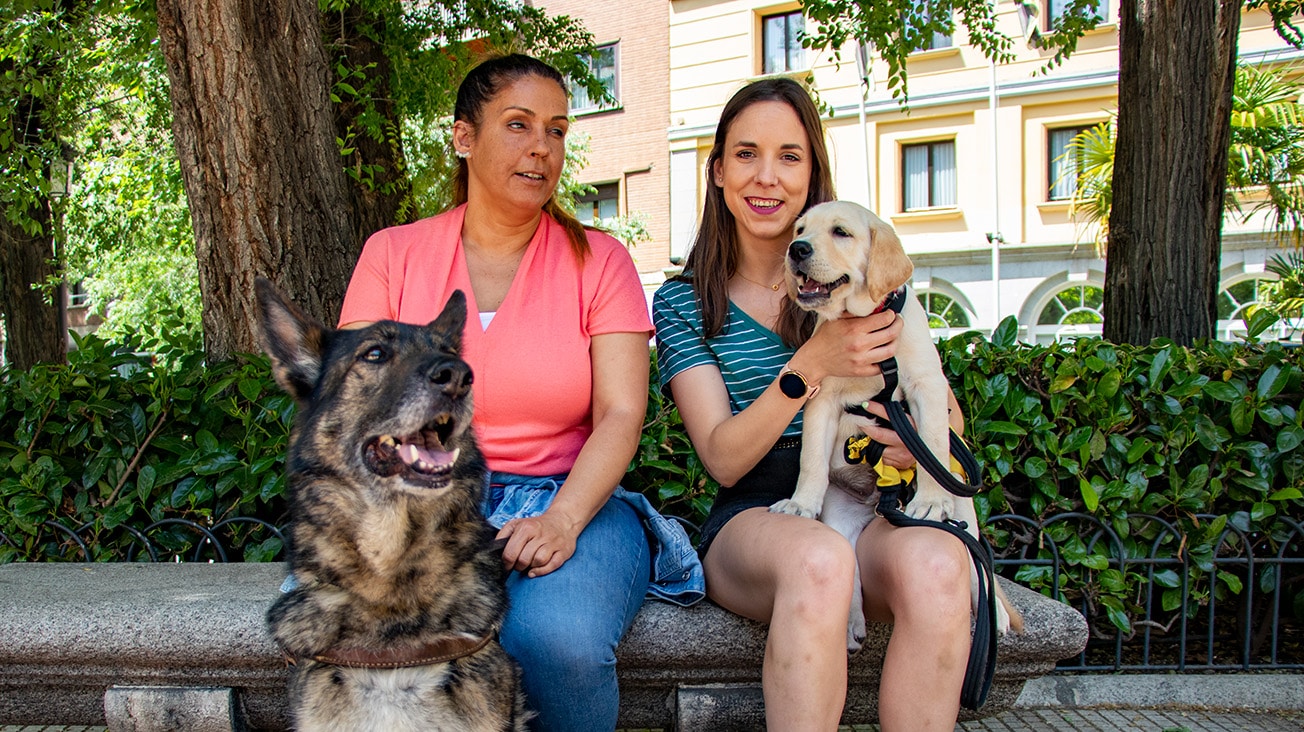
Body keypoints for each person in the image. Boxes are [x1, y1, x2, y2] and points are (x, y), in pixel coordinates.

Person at [338, 53, 702, 732]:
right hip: (418, 501)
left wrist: (562, 521)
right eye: (518, 124)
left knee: (556, 642)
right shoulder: (393, 254)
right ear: (463, 137)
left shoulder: (601, 260)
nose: (542, 147)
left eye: (558, 130)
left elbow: (621, 413)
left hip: (572, 499)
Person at [653, 76, 972, 731]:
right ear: (717, 171)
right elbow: (723, 458)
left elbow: (944, 410)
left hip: (869, 494)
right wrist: (807, 369)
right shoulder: (684, 302)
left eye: (789, 156)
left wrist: (903, 441)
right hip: (759, 514)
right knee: (818, 558)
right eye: (745, 154)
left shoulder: (865, 273)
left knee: (942, 566)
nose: (766, 176)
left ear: (812, 174)